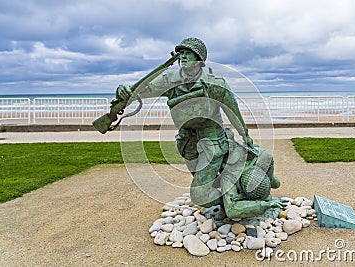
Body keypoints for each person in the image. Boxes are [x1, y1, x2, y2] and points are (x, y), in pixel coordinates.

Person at [116, 37, 284, 216]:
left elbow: (233, 111)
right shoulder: (169, 80)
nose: (183, 57)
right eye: (182, 54)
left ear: (199, 59)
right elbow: (142, 91)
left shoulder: (215, 84)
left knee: (200, 194)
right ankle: (230, 200)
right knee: (202, 181)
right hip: (187, 142)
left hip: (211, 140)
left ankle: (235, 200)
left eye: (188, 53)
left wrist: (245, 134)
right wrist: (125, 90)